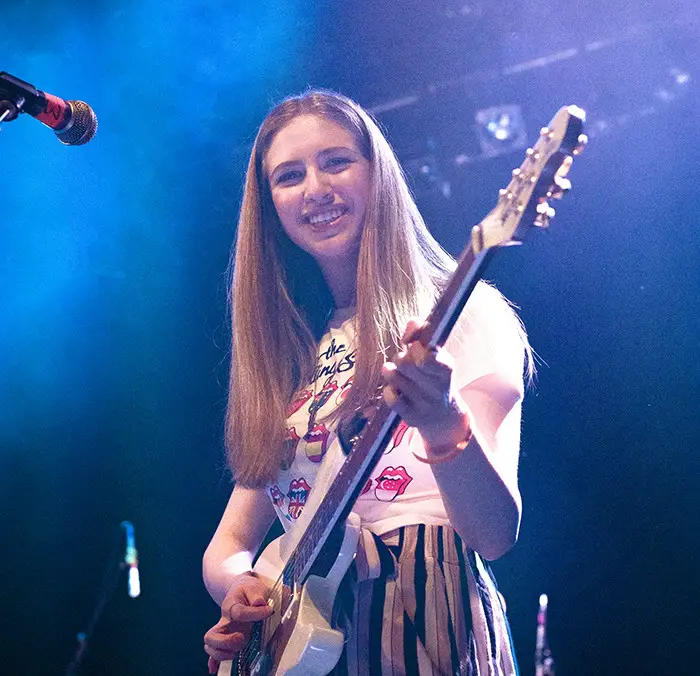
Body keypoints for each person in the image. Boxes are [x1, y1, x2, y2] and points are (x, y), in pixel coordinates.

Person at [202, 89, 532, 675]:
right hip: (309, 636)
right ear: (269, 206)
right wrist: (242, 589)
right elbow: (228, 544)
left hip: (429, 605)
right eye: (289, 175)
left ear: (378, 174)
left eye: (336, 161)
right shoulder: (294, 353)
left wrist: (441, 421)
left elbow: (494, 533)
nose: (315, 189)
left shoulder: (461, 312)